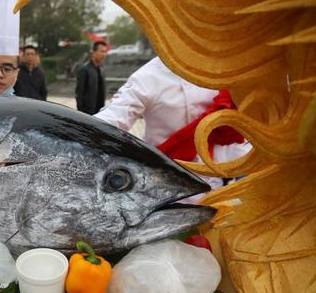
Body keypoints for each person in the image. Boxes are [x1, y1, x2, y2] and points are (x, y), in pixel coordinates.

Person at [95, 57, 251, 199]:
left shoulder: (223, 69)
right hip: (164, 187)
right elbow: (106, 123)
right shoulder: (147, 77)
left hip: (220, 183)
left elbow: (235, 126)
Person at [76, 41, 108, 115]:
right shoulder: (84, 70)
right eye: (102, 51)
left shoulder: (101, 70)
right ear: (93, 53)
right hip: (87, 113)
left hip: (100, 112)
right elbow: (79, 94)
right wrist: (81, 114)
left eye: (105, 52)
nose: (104, 54)